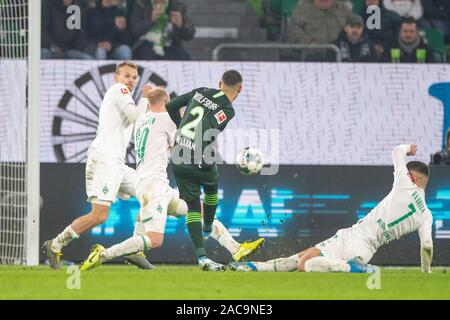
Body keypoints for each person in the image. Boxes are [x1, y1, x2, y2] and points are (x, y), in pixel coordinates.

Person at [230, 144, 433, 274]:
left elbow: (397, 151)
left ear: (412, 177)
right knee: (301, 257)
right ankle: (254, 267)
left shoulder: (404, 184)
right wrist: (426, 272)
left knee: (305, 265)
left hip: (354, 236)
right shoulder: (425, 215)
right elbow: (427, 246)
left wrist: (410, 148)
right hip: (367, 250)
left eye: (407, 173)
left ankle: (350, 268)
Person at [42, 61, 152, 270]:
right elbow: (135, 116)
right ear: (116, 78)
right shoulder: (118, 90)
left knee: (150, 194)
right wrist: (146, 97)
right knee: (100, 215)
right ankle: (54, 245)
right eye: (126, 76)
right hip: (104, 160)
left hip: (117, 163)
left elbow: (137, 122)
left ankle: (134, 250)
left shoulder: (125, 98)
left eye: (134, 77)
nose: (130, 81)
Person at [79, 88, 188, 270]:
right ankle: (103, 255)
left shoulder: (142, 120)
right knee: (154, 239)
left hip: (144, 182)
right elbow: (183, 132)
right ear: (165, 103)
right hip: (155, 184)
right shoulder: (166, 119)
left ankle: (233, 249)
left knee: (194, 207)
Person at [166, 70, 263, 271]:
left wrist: (180, 127)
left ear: (220, 83)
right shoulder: (227, 110)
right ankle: (208, 227)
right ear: (240, 89)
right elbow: (207, 129)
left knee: (193, 206)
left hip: (177, 156)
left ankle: (202, 258)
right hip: (197, 157)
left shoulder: (200, 91)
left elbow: (171, 105)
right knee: (211, 187)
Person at [129, 0, 195, 60]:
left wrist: (180, 25)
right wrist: (151, 21)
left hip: (169, 46)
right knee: (147, 53)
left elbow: (190, 34)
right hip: (145, 44)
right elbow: (134, 31)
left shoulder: (176, 5)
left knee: (184, 56)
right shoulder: (141, 4)